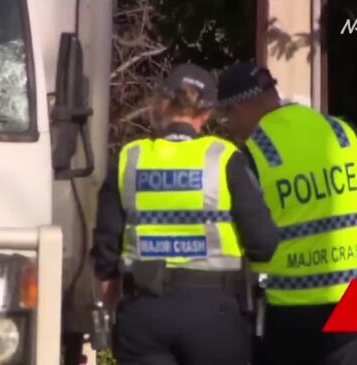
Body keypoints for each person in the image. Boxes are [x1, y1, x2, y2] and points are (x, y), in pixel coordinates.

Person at [91, 63, 279, 365]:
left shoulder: (130, 159)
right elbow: (264, 243)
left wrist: (111, 310)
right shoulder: (223, 157)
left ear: (161, 104)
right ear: (206, 113)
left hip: (144, 312)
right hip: (214, 316)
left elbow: (105, 256)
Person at [216, 62, 357, 365]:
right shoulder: (343, 133)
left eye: (227, 116)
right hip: (355, 296)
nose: (229, 126)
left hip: (291, 304)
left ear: (240, 106)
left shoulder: (252, 155)